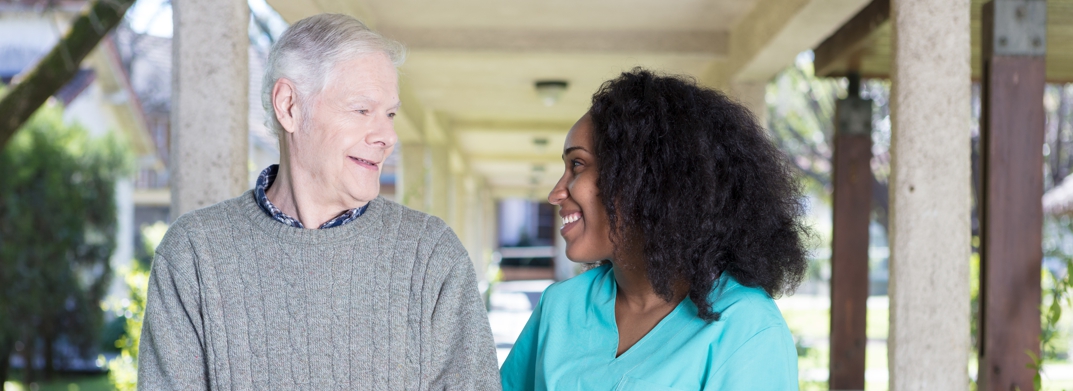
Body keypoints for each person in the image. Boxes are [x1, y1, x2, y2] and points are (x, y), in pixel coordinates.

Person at [138, 14, 500, 390]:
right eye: (362, 110)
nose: (388, 136)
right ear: (289, 106)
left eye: (390, 114)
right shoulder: (194, 255)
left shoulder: (431, 256)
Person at [500, 69, 809, 390]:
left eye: (577, 165)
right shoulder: (560, 306)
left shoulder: (747, 328)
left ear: (645, 177)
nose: (556, 193)